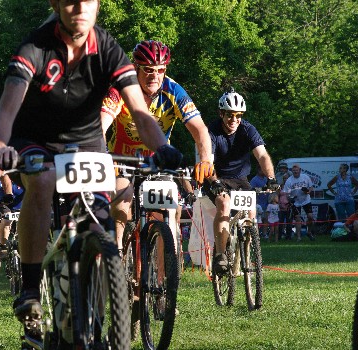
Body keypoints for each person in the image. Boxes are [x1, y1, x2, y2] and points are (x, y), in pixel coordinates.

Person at [0, 0, 183, 343]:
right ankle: (29, 289)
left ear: (98, 2)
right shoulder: (35, 48)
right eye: (71, 0)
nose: (80, 9)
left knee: (103, 212)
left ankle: (100, 283)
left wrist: (161, 146)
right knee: (40, 183)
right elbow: (6, 111)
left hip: (86, 140)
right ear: (54, 3)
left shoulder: (107, 48)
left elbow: (141, 113)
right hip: (35, 139)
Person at [100, 39, 213, 251]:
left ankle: (162, 277)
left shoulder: (174, 90)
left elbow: (200, 130)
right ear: (135, 68)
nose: (155, 76)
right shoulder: (121, 88)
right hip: (123, 160)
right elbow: (101, 124)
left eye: (160, 70)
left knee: (169, 213)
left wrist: (206, 159)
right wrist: (101, 154)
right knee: (121, 202)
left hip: (158, 160)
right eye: (148, 70)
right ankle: (115, 262)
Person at [202, 88, 279, 274]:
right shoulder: (211, 131)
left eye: (238, 115)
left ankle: (244, 254)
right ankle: (220, 254)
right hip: (215, 176)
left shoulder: (247, 129)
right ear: (221, 113)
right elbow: (207, 162)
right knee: (224, 203)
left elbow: (262, 155)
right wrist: (215, 182)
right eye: (230, 115)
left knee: (251, 212)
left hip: (240, 179)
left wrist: (271, 178)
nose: (234, 120)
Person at [283, 164, 316, 242]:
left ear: (300, 170)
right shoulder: (289, 180)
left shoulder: (305, 177)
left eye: (296, 170)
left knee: (310, 216)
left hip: (306, 200)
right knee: (298, 218)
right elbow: (286, 193)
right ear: (292, 171)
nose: (295, 172)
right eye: (294, 171)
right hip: (295, 202)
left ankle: (309, 232)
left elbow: (311, 187)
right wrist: (290, 199)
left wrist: (308, 191)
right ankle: (298, 237)